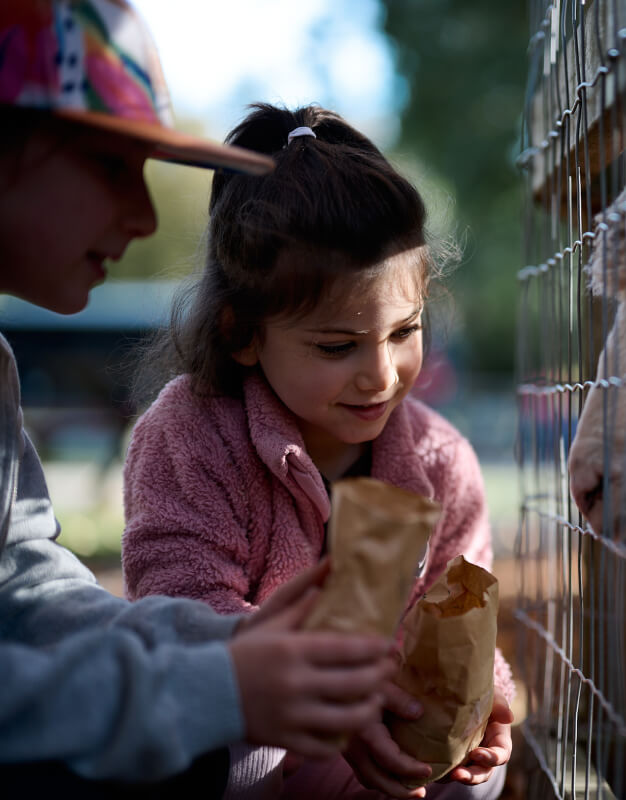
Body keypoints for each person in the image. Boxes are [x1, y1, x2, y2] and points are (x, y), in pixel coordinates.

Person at [0, 1, 400, 797]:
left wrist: (238, 652)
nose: (146, 218)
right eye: (112, 165)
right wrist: (217, 689)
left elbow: (20, 589)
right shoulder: (186, 436)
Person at [120, 101, 515, 799]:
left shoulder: (441, 461)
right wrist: (331, 700)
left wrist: (489, 700)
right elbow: (184, 612)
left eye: (405, 331)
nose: (381, 373)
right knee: (233, 748)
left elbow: (467, 615)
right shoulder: (186, 435)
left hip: (387, 757)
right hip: (266, 736)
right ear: (241, 332)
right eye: (338, 346)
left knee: (478, 775)